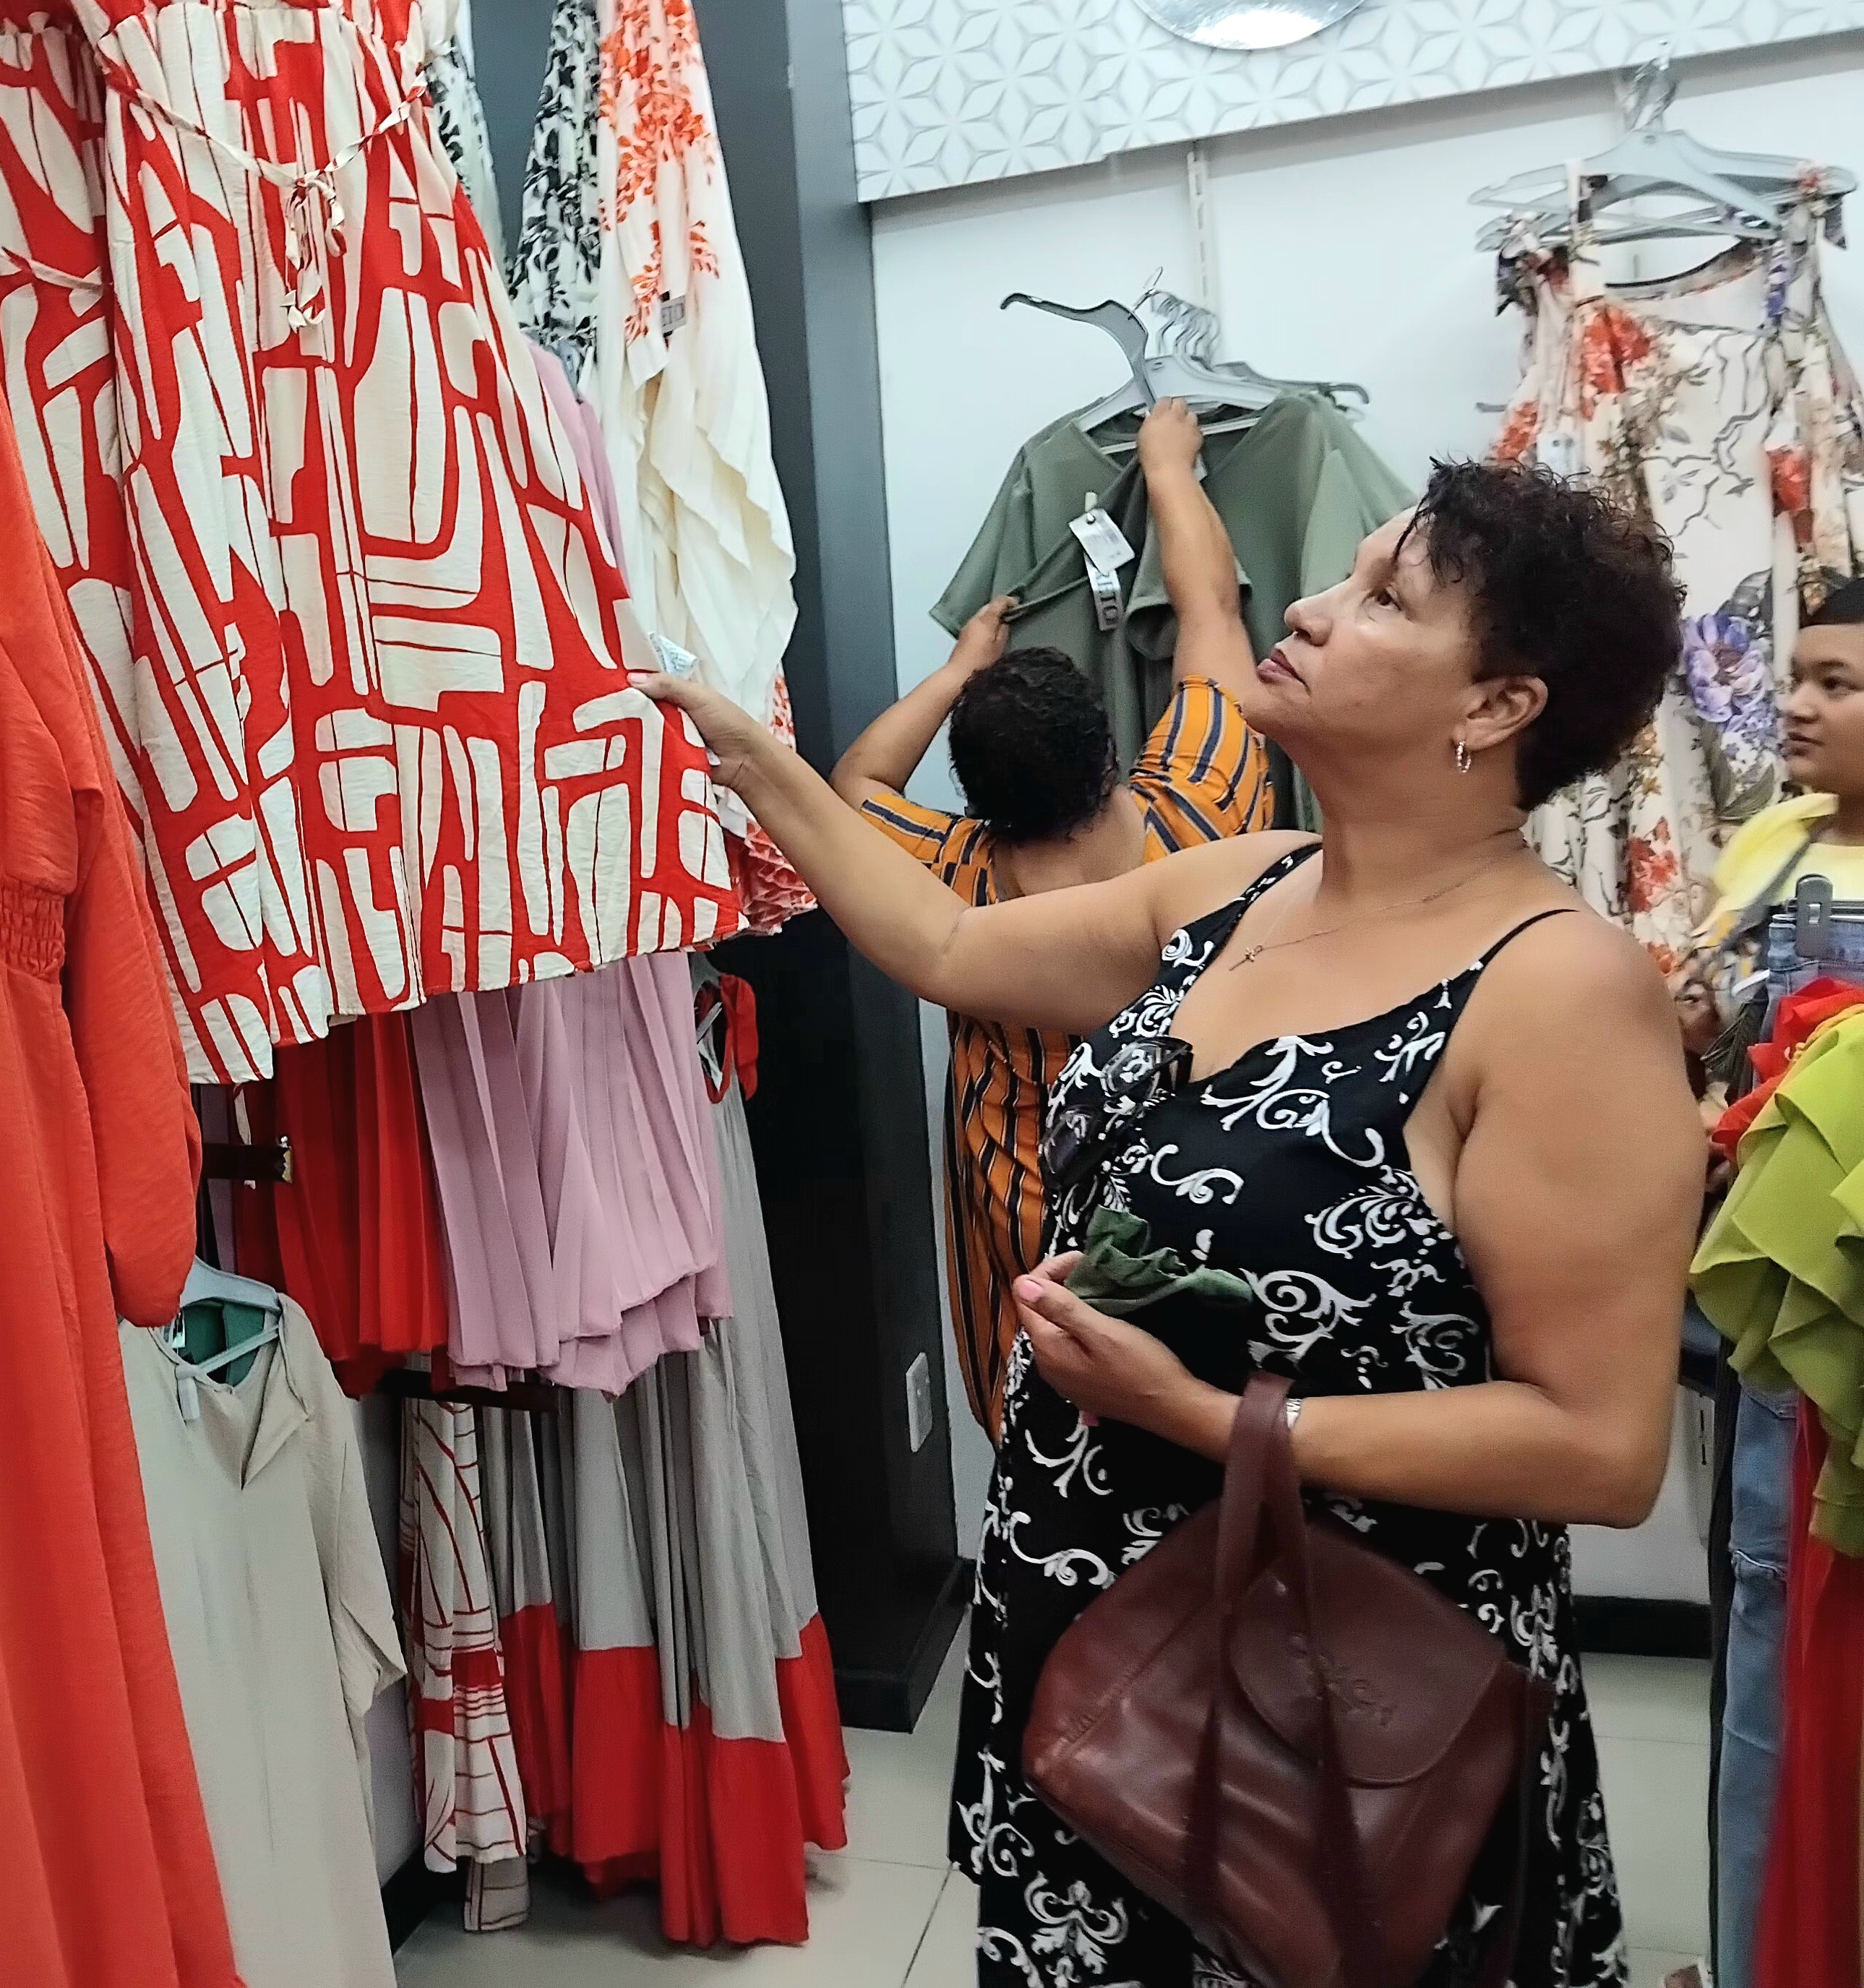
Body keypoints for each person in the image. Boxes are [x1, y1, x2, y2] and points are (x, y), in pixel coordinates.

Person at [644, 457, 1696, 1984]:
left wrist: (1205, 1419)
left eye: (1383, 600)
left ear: (1497, 705)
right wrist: (749, 753)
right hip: (1093, 1613)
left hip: (1337, 1682)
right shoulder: (1241, 886)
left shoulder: (1556, 991)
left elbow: (1598, 1446)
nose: (1309, 611)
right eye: (1342, 576)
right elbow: (946, 943)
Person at [836, 397, 1274, 1440]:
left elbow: (855, 787)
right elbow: (1213, 617)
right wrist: (1168, 469)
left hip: (1033, 1253)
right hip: (1207, 1227)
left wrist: (957, 672)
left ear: (976, 800)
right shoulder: (1206, 816)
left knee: (1052, 1457)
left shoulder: (948, 878)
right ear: (1110, 750)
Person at [1675, 576, 1864, 1988]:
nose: (1793, 706)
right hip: (1756, 1288)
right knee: (1753, 1621)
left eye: (1835, 685)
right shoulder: (1769, 843)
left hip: (1842, 1287)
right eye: (1794, 677)